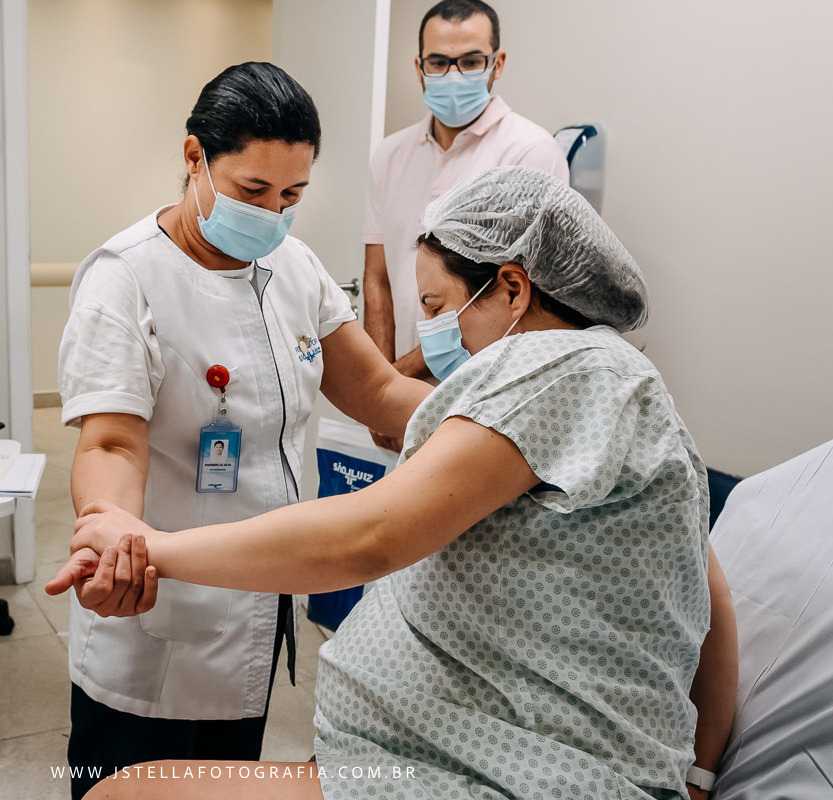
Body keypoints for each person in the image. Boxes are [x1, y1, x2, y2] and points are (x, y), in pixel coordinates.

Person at [50, 166, 739, 800]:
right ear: (194, 158)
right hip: (445, 742)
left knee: (121, 794)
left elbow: (370, 534)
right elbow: (705, 590)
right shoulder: (597, 380)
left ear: (512, 287)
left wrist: (151, 546)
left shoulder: (555, 370)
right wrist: (699, 768)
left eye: (439, 307)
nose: (435, 336)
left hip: (504, 767)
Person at [55, 62, 433, 799]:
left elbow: (380, 391)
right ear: (194, 157)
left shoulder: (294, 266)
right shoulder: (124, 278)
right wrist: (111, 532)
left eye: (292, 195)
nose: (272, 214)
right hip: (158, 612)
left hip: (258, 613)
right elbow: (110, 442)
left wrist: (496, 421)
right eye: (252, 191)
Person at [363, 0, 569, 451]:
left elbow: (518, 297)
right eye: (439, 62)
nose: (454, 74)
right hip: (399, 390)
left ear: (498, 64)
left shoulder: (530, 153)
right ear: (419, 68)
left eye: (471, 61)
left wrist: (389, 384)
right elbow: (377, 278)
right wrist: (381, 384)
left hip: (488, 399)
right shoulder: (390, 155)